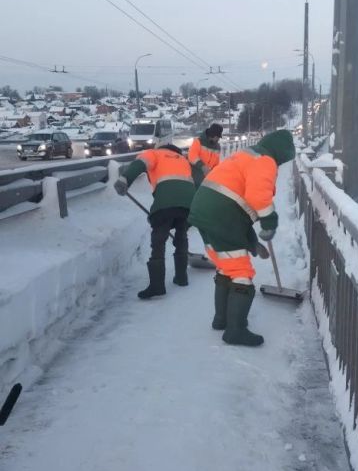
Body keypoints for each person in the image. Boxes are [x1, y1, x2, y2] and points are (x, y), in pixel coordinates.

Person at [188, 129, 296, 347]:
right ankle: (235, 330)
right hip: (222, 215)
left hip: (204, 210)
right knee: (241, 273)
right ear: (282, 153)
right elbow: (257, 197)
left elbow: (238, 201)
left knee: (225, 266)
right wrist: (269, 222)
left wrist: (252, 242)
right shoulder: (265, 160)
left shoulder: (247, 155)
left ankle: (221, 320)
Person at [114, 144, 195, 299]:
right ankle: (181, 277)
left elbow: (139, 164)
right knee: (181, 235)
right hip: (189, 202)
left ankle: (157, 286)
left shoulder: (154, 153)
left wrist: (125, 180)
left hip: (166, 200)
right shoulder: (183, 159)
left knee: (159, 240)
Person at [188, 123, 223, 188]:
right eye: (217, 137)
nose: (218, 139)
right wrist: (202, 166)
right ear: (212, 135)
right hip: (195, 177)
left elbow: (216, 163)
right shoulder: (198, 142)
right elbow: (192, 156)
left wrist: (216, 173)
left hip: (207, 179)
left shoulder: (217, 147)